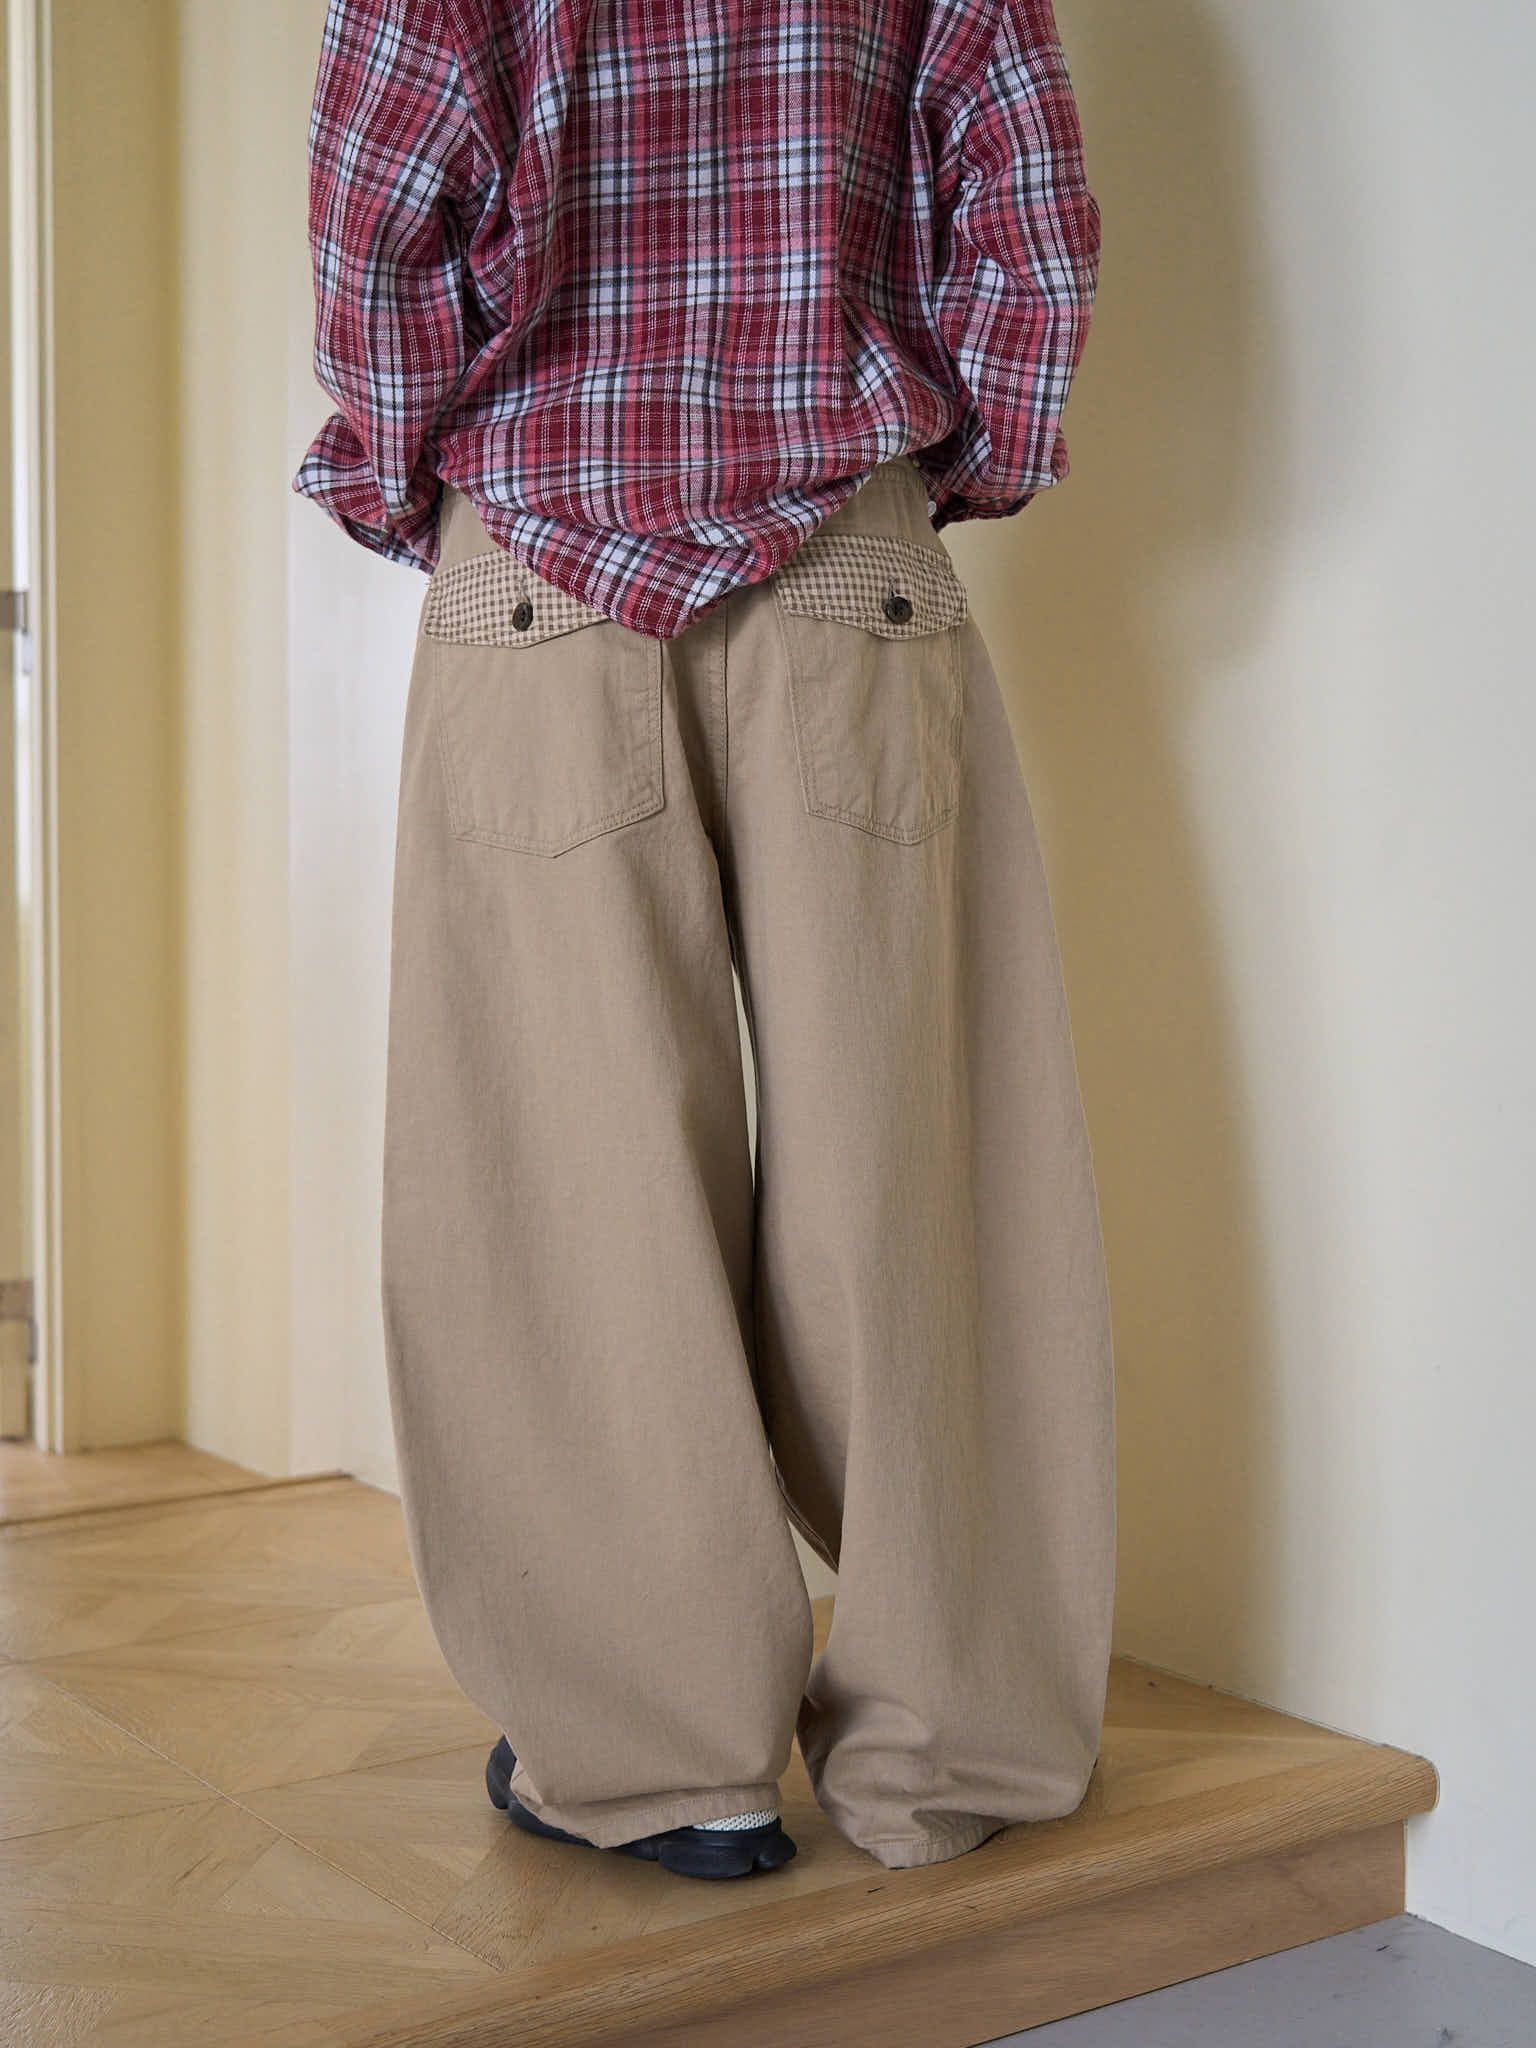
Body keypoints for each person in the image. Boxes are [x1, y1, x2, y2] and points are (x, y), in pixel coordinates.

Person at [294, 0, 1115, 1883]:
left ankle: (673, 1765)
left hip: (540, 566)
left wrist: (411, 471)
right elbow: (1034, 222)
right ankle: (945, 1758)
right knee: (921, 1170)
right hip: (851, 557)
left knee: (560, 1184)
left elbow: (375, 231)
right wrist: (945, 462)